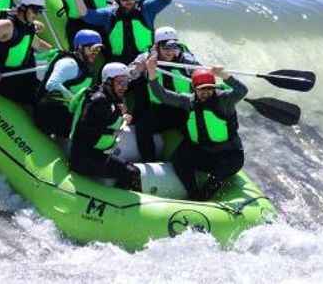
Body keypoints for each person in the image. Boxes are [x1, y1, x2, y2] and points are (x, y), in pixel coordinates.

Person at [144, 54, 248, 200]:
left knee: (219, 174)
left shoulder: (225, 100)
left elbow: (242, 91)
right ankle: (192, 193)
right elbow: (162, 96)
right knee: (179, 158)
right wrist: (152, 71)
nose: (206, 93)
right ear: (194, 89)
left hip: (229, 155)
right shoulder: (188, 101)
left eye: (209, 89)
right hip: (205, 153)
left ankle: (204, 197)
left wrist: (223, 75)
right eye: (201, 89)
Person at [70, 0, 173, 64]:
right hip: (118, 63)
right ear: (117, 0)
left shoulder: (146, 9)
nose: (129, 1)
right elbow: (86, 14)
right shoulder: (109, 15)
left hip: (144, 61)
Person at [68, 63, 142, 191]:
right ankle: (119, 206)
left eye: (126, 83)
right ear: (108, 82)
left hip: (96, 153)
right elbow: (84, 132)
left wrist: (122, 116)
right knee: (132, 172)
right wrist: (112, 130)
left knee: (130, 169)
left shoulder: (109, 97)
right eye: (120, 82)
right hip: (84, 158)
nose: (124, 87)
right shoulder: (99, 101)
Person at [129, 26, 198, 162]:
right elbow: (128, 75)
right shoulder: (146, 57)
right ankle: (150, 161)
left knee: (197, 127)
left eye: (173, 47)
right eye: (166, 48)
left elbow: (201, 76)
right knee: (143, 127)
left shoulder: (187, 60)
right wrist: (138, 69)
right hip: (159, 109)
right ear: (157, 46)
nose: (170, 52)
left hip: (182, 107)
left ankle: (195, 159)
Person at [0, 0, 51, 104]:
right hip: (3, 77)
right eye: (35, 11)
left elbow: (36, 43)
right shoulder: (6, 25)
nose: (37, 15)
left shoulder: (29, 25)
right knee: (36, 100)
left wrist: (58, 53)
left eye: (39, 11)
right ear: (23, 8)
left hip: (20, 73)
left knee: (46, 93)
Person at [34, 29, 103, 137]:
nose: (95, 54)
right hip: (47, 112)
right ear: (80, 47)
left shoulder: (84, 67)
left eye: (97, 50)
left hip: (62, 111)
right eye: (92, 49)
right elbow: (51, 84)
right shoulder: (69, 64)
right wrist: (74, 101)